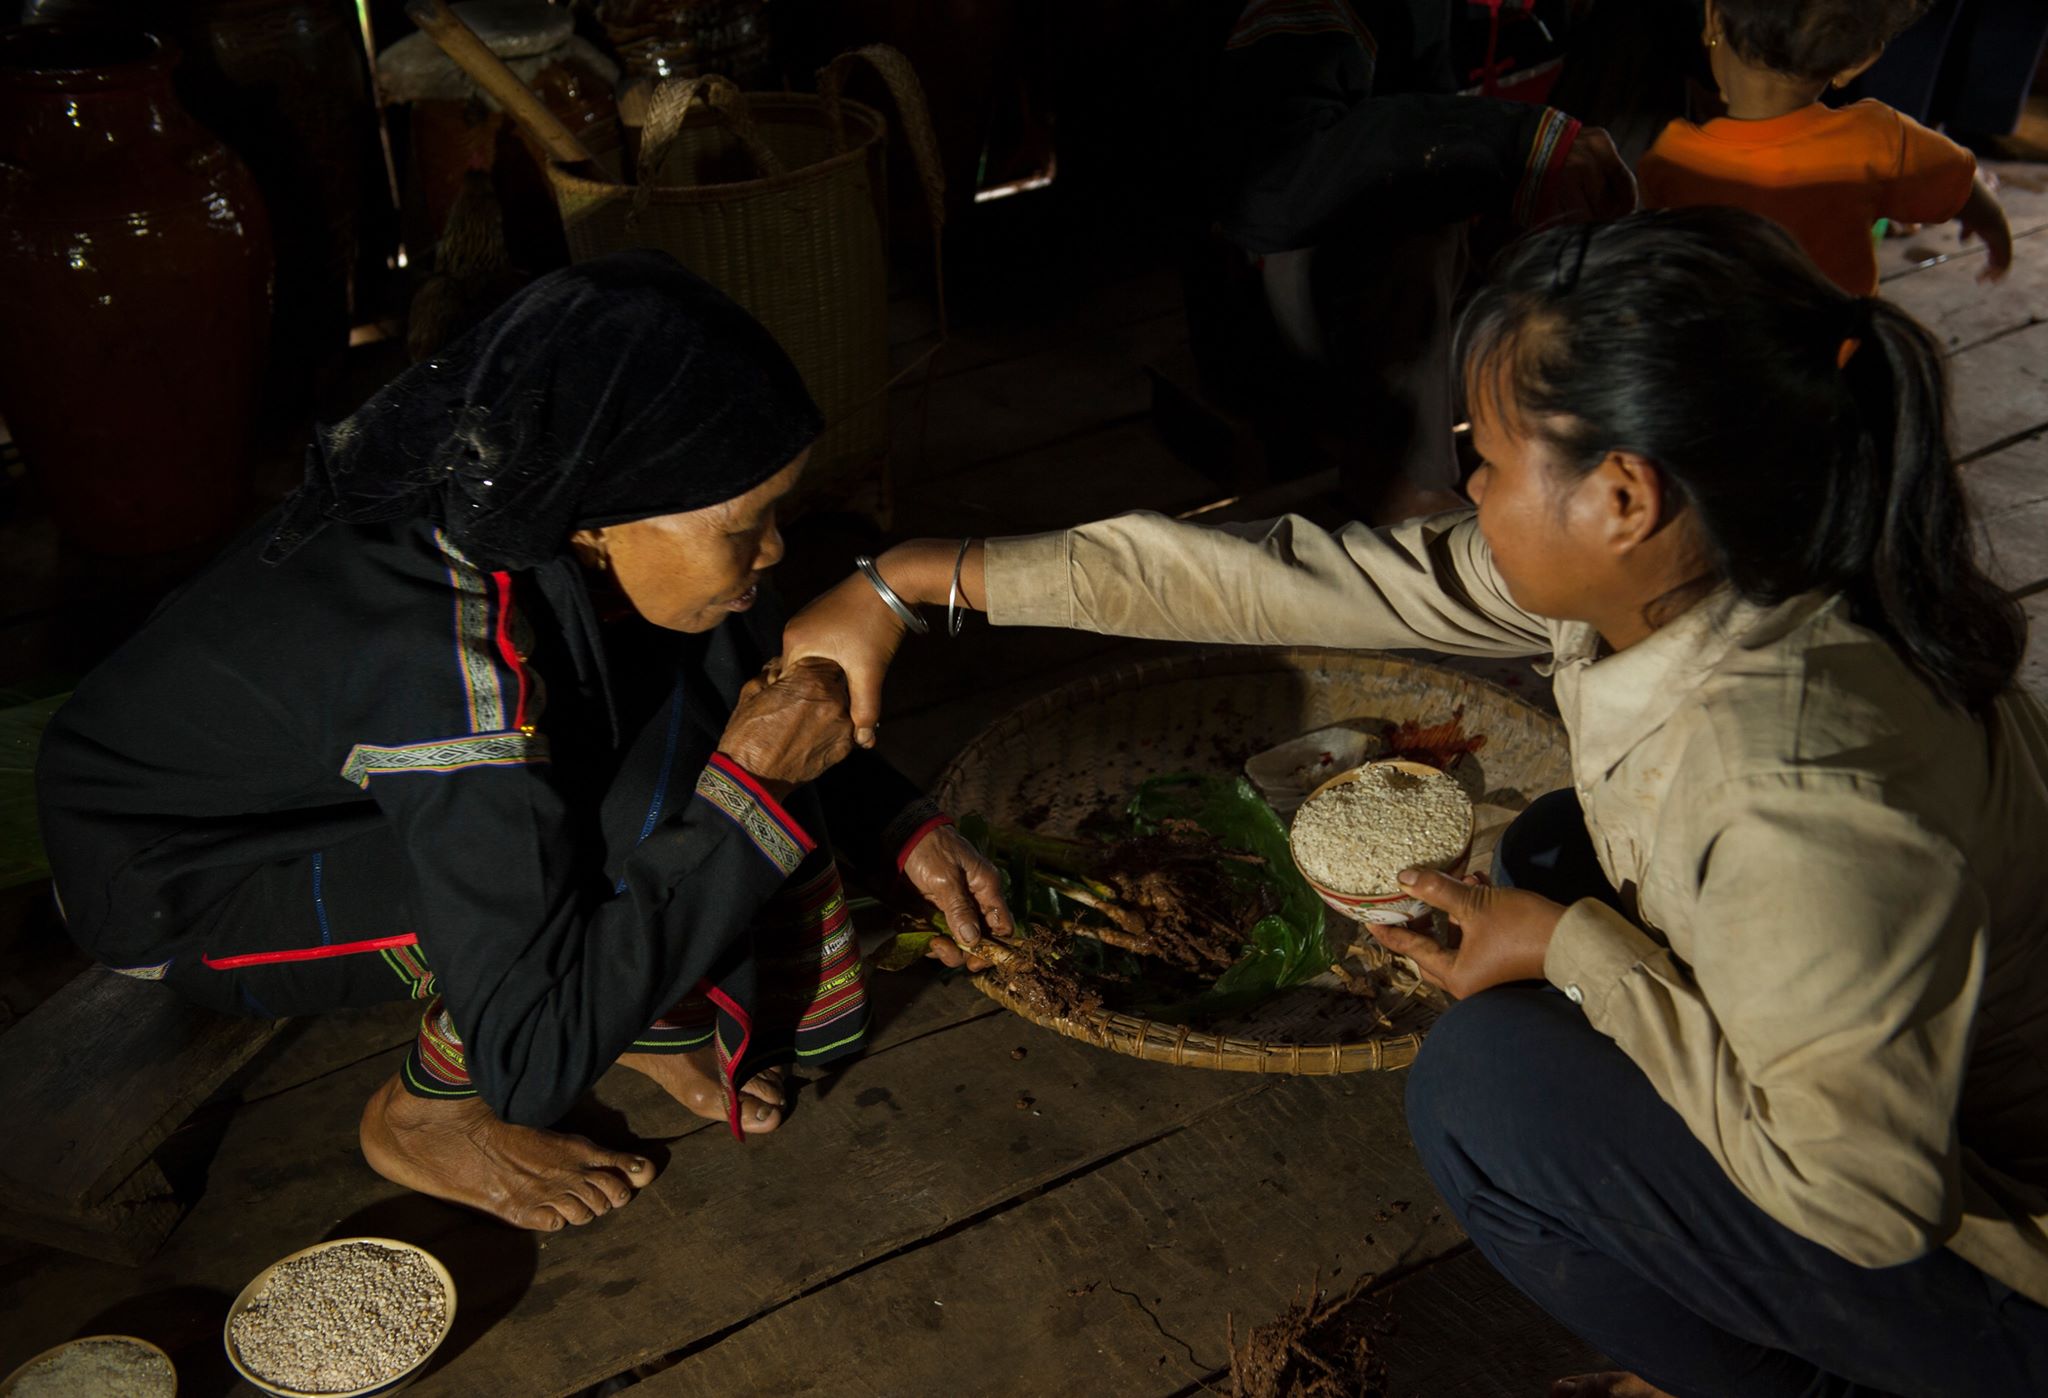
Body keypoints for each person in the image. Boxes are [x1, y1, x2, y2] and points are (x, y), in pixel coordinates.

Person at [784, 209, 2048, 1396]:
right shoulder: (1735, 562)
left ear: (1620, 495)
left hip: (1986, 1248)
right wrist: (909, 581)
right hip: (1904, 1114)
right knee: (1552, 843)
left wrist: (1573, 952)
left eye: (1480, 459)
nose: (1465, 489)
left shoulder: (1790, 792)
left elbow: (1861, 1201)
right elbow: (1266, 581)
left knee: (1487, 1090)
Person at [33, 252, 1010, 1234]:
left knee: (701, 687)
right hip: (175, 874)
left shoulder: (522, 484)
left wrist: (894, 824)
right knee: (632, 849)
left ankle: (629, 994)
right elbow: (531, 1051)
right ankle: (426, 1116)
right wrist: (751, 787)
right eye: (743, 525)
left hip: (320, 786)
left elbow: (730, 684)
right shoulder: (441, 657)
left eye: (777, 513)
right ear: (599, 510)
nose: (774, 551)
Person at [1637, 0, 2013, 294]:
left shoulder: (1671, 159)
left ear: (1712, 18)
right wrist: (1993, 228)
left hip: (1720, 362)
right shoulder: (1881, 141)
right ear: (1860, 61)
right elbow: (1961, 185)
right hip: (1833, 357)